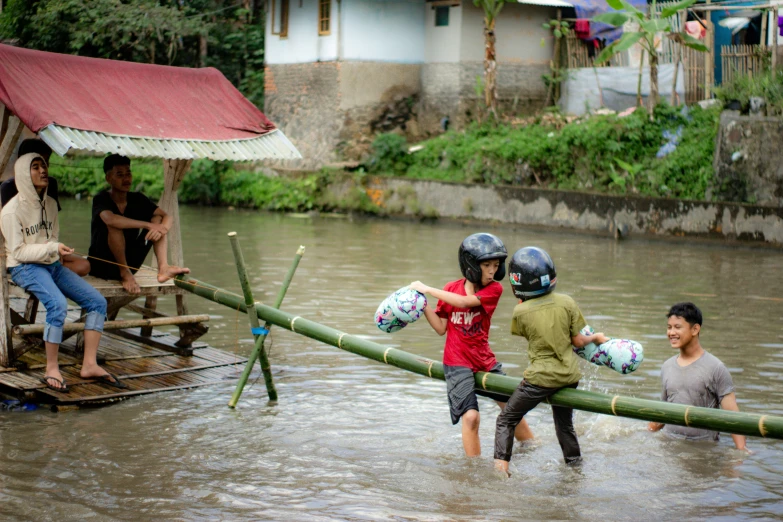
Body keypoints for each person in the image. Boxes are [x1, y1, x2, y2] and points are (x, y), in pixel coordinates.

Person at [0, 153, 126, 391]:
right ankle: (51, 369)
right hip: (23, 267)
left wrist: (58, 250)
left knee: (97, 302)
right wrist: (52, 248)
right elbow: (18, 251)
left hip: (52, 264)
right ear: (23, 175)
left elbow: (52, 238)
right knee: (58, 305)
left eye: (44, 166)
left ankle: (89, 364)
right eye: (35, 167)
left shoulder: (49, 204)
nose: (43, 171)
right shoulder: (10, 211)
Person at [409, 233, 535, 457]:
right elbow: (440, 328)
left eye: (496, 265)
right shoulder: (450, 288)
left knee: (511, 407)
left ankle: (532, 447)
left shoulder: (494, 290)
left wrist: (428, 288)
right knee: (471, 417)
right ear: (470, 265)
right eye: (486, 265)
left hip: (484, 359)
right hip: (457, 362)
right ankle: (473, 470)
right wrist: (422, 304)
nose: (492, 271)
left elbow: (465, 302)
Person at [494, 246, 608, 475]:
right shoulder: (567, 302)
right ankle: (575, 469)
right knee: (564, 426)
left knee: (506, 420)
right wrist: (595, 337)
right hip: (569, 377)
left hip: (540, 380)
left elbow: (529, 334)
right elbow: (577, 341)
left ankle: (501, 473)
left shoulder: (520, 312)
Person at [648, 302, 749, 452]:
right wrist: (641, 433)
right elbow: (664, 409)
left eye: (677, 327)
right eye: (669, 327)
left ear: (695, 329)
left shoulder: (716, 368)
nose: (671, 332)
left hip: (702, 450)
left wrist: (741, 452)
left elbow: (732, 414)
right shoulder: (667, 366)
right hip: (668, 446)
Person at [88, 154, 189, 294]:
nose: (126, 178)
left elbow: (167, 216)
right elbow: (111, 219)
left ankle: (163, 268)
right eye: (120, 175)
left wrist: (161, 229)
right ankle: (124, 273)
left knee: (157, 219)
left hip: (131, 264)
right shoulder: (101, 198)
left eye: (128, 173)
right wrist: (147, 225)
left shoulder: (137, 199)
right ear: (108, 178)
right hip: (103, 265)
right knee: (116, 225)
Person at [1, 138, 90, 276]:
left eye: (45, 163)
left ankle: (48, 274)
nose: (43, 170)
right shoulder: (8, 188)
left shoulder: (50, 185)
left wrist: (53, 248)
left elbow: (52, 226)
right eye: (36, 165)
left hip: (46, 247)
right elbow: (12, 237)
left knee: (83, 265)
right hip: (23, 251)